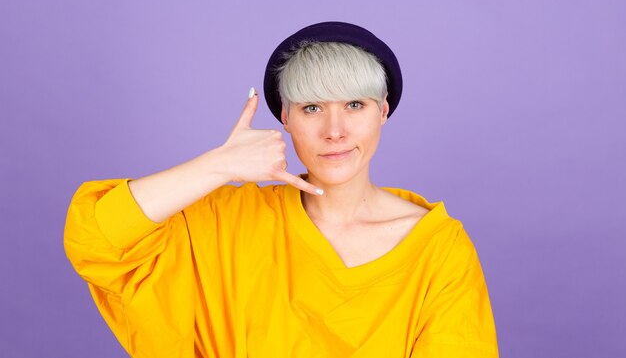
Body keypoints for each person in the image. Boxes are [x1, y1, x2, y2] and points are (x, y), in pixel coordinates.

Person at [64, 21, 498, 357]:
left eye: (354, 105)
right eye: (312, 108)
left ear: (382, 111)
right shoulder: (225, 221)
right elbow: (98, 238)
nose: (335, 131)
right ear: (285, 119)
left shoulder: (438, 248)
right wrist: (219, 165)